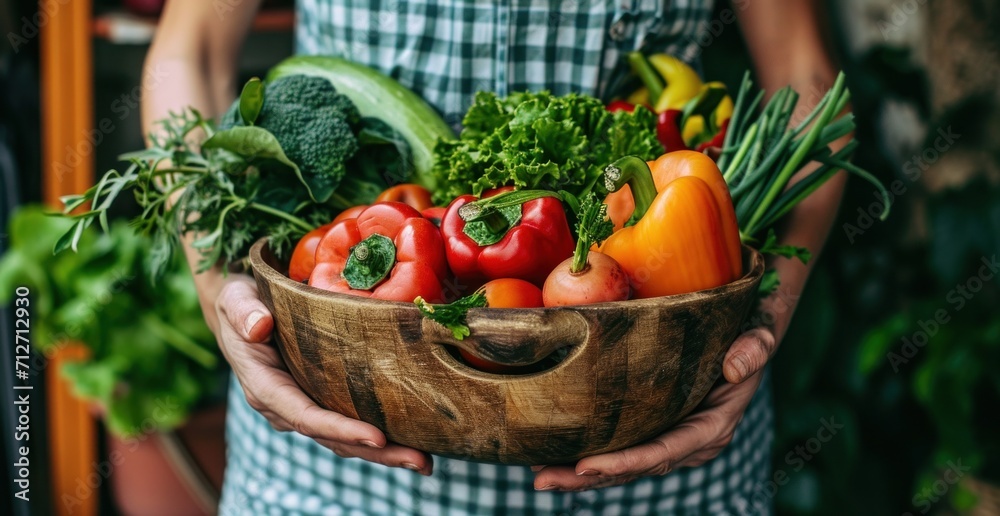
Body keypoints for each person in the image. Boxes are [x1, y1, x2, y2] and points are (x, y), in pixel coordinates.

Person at [142, 0, 844, 513]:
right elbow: (191, 52)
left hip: (662, 448)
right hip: (337, 468)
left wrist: (766, 314)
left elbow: (807, 81)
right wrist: (217, 288)